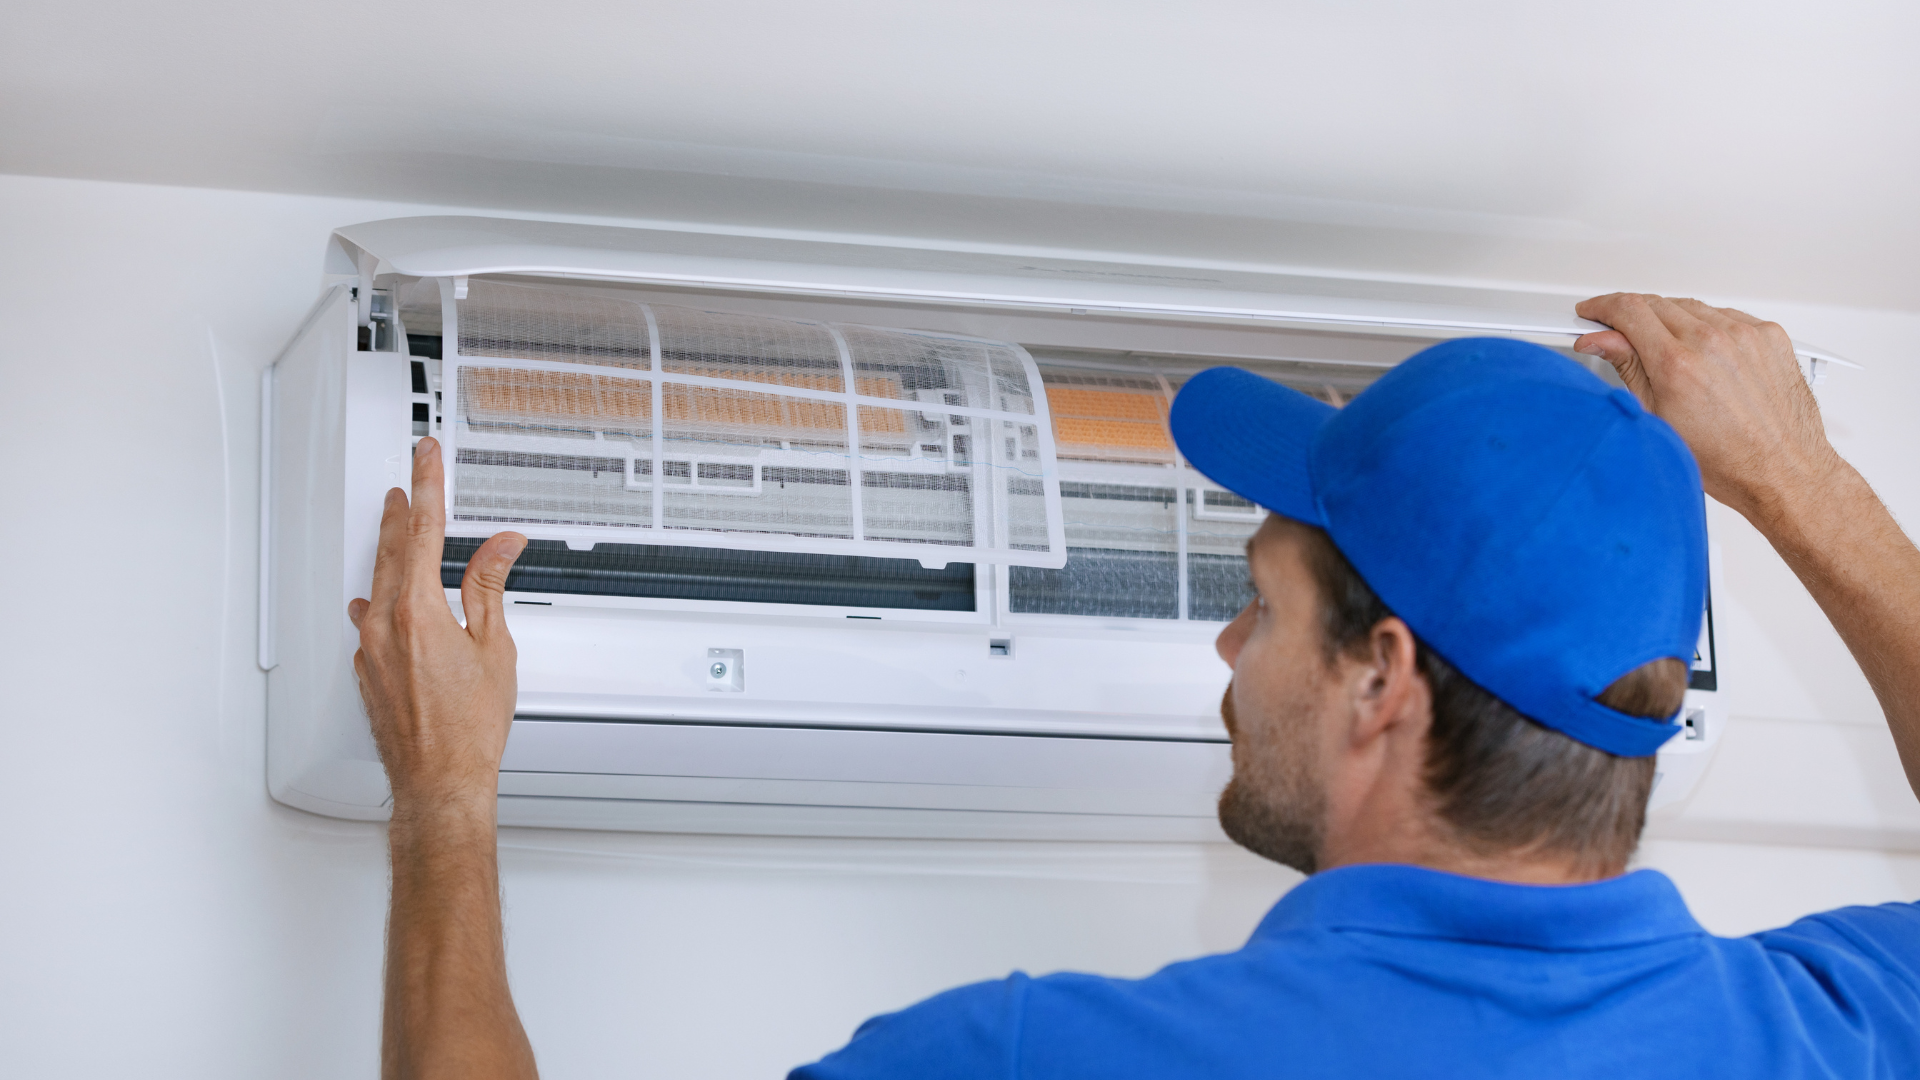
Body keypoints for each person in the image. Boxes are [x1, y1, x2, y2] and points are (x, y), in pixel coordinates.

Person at [346, 293, 1920, 1079]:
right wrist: (1807, 488)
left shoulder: (1047, 1060)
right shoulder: (1831, 1034)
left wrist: (443, 801)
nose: (1228, 649)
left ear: (1381, 681)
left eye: (1261, 603)